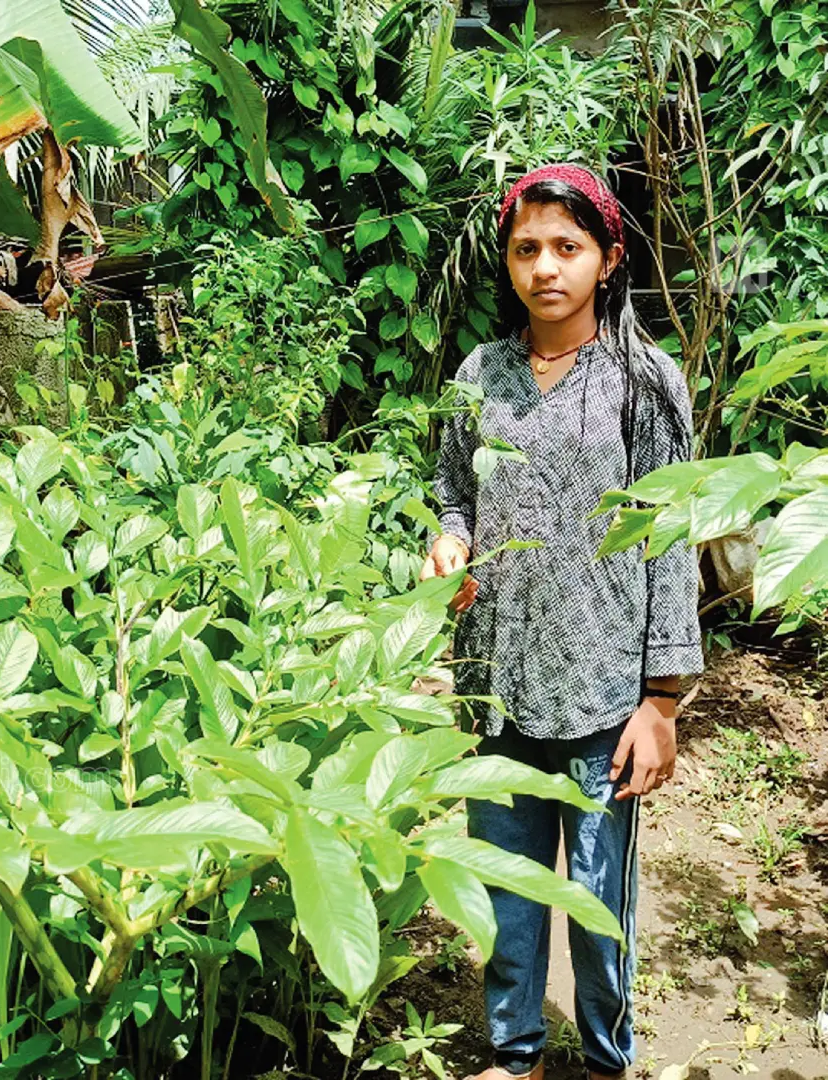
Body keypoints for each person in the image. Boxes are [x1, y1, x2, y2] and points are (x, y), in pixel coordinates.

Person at [421, 163, 704, 1080]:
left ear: (607, 259)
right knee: (507, 892)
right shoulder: (481, 375)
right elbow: (451, 492)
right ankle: (517, 1052)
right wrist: (449, 540)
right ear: (508, 263)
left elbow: (670, 538)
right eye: (527, 248)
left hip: (604, 693)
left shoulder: (644, 381)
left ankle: (608, 1059)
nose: (546, 266)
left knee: (596, 901)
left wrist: (661, 701)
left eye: (567, 248)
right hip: (497, 681)